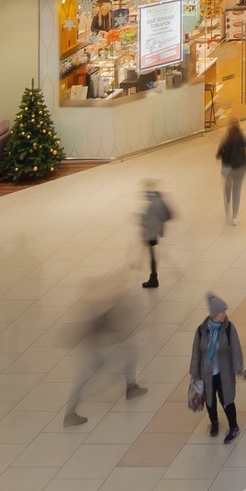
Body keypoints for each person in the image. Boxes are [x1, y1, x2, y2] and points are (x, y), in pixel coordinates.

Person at [63, 285, 147, 427]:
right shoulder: (113, 312)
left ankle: (131, 387)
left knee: (130, 355)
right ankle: (70, 415)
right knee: (85, 379)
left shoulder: (110, 309)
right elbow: (114, 332)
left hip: (94, 346)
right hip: (93, 348)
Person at [190, 294, 246, 443]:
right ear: (215, 313)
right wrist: (195, 373)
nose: (225, 314)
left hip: (224, 372)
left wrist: (238, 368)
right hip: (207, 373)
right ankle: (214, 422)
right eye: (222, 311)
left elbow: (236, 349)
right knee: (210, 399)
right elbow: (196, 352)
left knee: (226, 399)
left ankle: (234, 427)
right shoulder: (202, 330)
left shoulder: (228, 328)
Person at [217, 121, 246, 226]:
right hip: (240, 167)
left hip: (227, 167)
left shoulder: (225, 139)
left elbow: (218, 155)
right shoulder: (243, 137)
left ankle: (227, 203)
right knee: (237, 190)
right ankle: (234, 217)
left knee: (227, 186)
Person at [139, 181, 175, 285]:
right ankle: (153, 277)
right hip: (155, 231)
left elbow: (150, 221)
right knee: (152, 255)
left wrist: (142, 220)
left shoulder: (153, 205)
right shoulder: (160, 201)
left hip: (151, 233)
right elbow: (167, 216)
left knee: (152, 256)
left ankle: (153, 278)